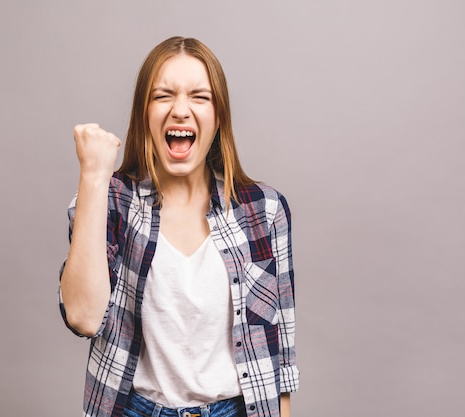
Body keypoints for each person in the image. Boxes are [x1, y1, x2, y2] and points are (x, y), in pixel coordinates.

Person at [59, 36, 299, 417]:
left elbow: (281, 359)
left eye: (199, 97)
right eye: (163, 96)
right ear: (144, 113)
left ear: (219, 116)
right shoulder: (111, 203)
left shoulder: (264, 211)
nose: (181, 111)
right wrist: (93, 176)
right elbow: (83, 317)